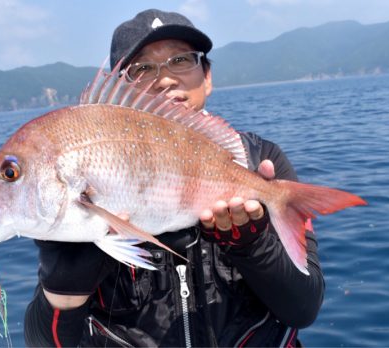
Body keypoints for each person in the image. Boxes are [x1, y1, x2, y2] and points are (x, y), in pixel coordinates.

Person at [24, 9, 324, 347]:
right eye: (142, 68)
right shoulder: (92, 169)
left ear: (207, 76)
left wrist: (253, 246)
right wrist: (64, 288)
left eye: (181, 60)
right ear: (119, 92)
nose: (165, 79)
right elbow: (41, 343)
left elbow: (304, 308)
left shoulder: (260, 161)